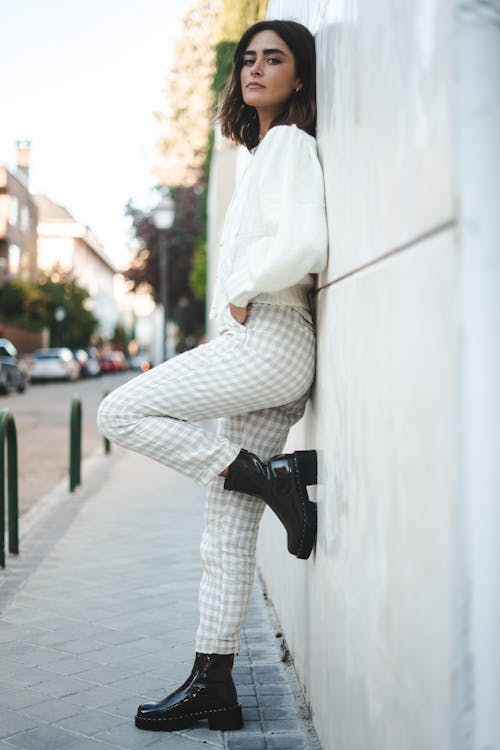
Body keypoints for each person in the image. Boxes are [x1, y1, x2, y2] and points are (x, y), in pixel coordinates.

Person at [97, 18, 328, 734]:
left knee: (118, 412)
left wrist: (246, 284)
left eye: (275, 59)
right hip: (269, 354)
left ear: (299, 75)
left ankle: (270, 475)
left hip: (269, 344)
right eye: (248, 59)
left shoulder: (288, 143)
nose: (256, 70)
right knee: (224, 536)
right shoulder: (261, 152)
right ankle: (213, 684)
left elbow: (306, 241)